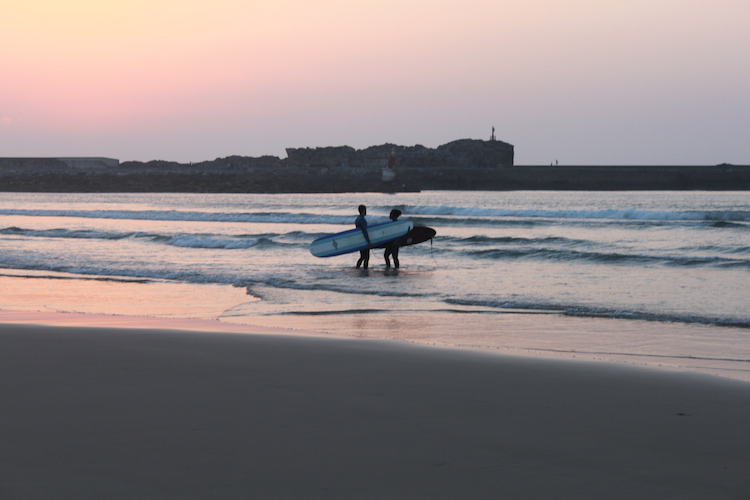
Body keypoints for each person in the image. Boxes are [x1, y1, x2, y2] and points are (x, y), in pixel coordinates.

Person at [355, 205, 371, 269]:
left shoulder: (357, 219)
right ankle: (365, 270)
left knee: (362, 256)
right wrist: (368, 242)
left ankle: (357, 267)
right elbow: (365, 232)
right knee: (366, 257)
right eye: (365, 210)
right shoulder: (362, 220)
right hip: (364, 240)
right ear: (364, 210)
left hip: (360, 240)